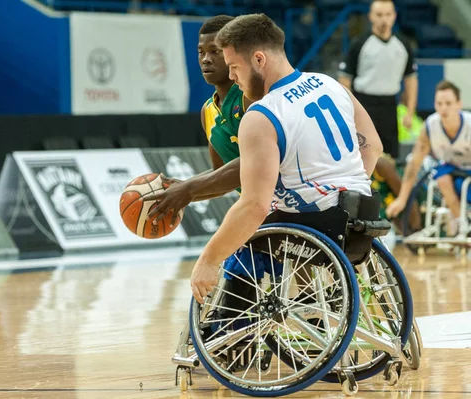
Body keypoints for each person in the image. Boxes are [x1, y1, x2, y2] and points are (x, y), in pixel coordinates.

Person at [190, 14, 383, 303]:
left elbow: (253, 205)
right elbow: (373, 146)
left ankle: (230, 333)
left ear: (258, 59)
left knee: (244, 237)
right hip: (362, 211)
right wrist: (347, 187)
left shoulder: (262, 115)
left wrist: (208, 260)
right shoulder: (330, 84)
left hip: (314, 225)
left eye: (234, 67)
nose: (231, 77)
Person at [145, 15, 249, 225]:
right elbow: (223, 176)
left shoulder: (250, 97)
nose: (205, 59)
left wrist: (190, 188)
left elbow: (255, 163)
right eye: (201, 52)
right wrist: (181, 189)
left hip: (288, 204)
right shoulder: (207, 111)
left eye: (215, 51)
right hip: (257, 209)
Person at [386, 80, 471, 236]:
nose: (443, 108)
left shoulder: (469, 125)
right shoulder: (431, 126)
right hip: (450, 171)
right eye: (439, 103)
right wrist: (402, 199)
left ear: (459, 104)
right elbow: (414, 163)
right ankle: (461, 224)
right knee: (440, 176)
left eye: (448, 103)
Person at [338, 0, 418, 160]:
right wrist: (348, 111)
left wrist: (410, 112)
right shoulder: (359, 44)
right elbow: (344, 80)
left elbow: (411, 80)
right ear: (371, 17)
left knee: (390, 155)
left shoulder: (403, 45)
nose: (384, 19)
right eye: (379, 15)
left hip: (389, 104)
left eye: (388, 14)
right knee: (363, 154)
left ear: (394, 16)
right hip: (363, 104)